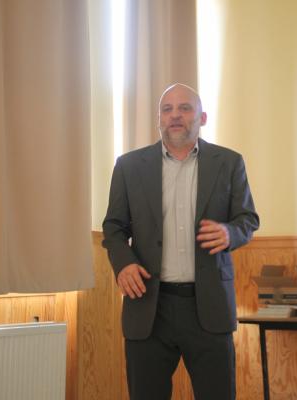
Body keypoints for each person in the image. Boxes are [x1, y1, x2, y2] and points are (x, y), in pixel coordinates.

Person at [102, 83, 259, 400]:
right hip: (149, 306)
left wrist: (229, 233)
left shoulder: (229, 162)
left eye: (185, 108)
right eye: (167, 109)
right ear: (158, 119)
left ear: (202, 118)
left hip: (208, 307)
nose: (175, 115)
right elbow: (114, 226)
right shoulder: (129, 166)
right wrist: (124, 264)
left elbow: (248, 220)